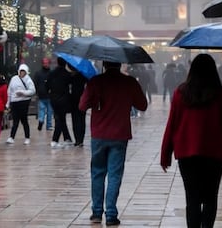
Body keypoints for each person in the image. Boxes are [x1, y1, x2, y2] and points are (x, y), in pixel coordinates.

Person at [160, 54, 222, 228]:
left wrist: (165, 154)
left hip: (187, 153)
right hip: (214, 153)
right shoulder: (220, 94)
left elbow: (172, 124)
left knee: (192, 198)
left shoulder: (181, 93)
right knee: (211, 197)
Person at [79, 61, 148, 226]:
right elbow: (142, 105)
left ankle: (96, 212)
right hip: (119, 135)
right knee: (115, 174)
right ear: (119, 64)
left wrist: (95, 100)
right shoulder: (129, 82)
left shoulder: (95, 82)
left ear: (104, 64)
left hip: (98, 135)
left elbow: (82, 106)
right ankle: (111, 214)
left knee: (97, 173)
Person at [5, 64, 36, 145]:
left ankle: (27, 137)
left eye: (23, 71)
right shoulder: (14, 79)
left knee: (24, 120)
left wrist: (23, 93)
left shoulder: (28, 80)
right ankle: (11, 137)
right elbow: (9, 91)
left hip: (24, 102)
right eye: (21, 71)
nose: (22, 73)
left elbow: (32, 91)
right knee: (15, 120)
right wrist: (8, 103)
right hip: (14, 102)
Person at [46, 57, 73, 147]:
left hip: (53, 99)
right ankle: (55, 140)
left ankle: (67, 138)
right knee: (60, 119)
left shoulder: (51, 73)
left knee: (61, 118)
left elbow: (47, 85)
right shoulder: (67, 74)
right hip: (63, 99)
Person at [67, 64, 87, 147]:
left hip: (74, 101)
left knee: (75, 120)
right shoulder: (83, 76)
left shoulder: (71, 77)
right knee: (82, 120)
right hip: (82, 100)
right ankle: (80, 140)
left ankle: (77, 140)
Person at [32, 58, 53, 131]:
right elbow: (35, 83)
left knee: (45, 110)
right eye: (45, 63)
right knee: (47, 110)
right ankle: (47, 124)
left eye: (47, 63)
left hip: (46, 95)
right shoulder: (51, 73)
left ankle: (43, 121)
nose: (46, 64)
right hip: (45, 95)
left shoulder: (39, 73)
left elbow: (35, 83)